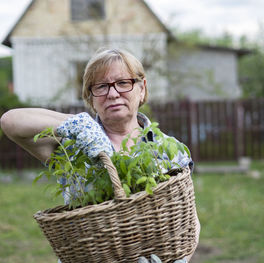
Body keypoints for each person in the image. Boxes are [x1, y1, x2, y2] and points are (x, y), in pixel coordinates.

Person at [0, 48, 200, 262]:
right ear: (90, 97)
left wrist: (181, 259)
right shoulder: (69, 148)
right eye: (101, 86)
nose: (112, 94)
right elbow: (10, 121)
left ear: (142, 89)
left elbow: (190, 220)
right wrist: (75, 123)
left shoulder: (169, 148)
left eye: (123, 83)